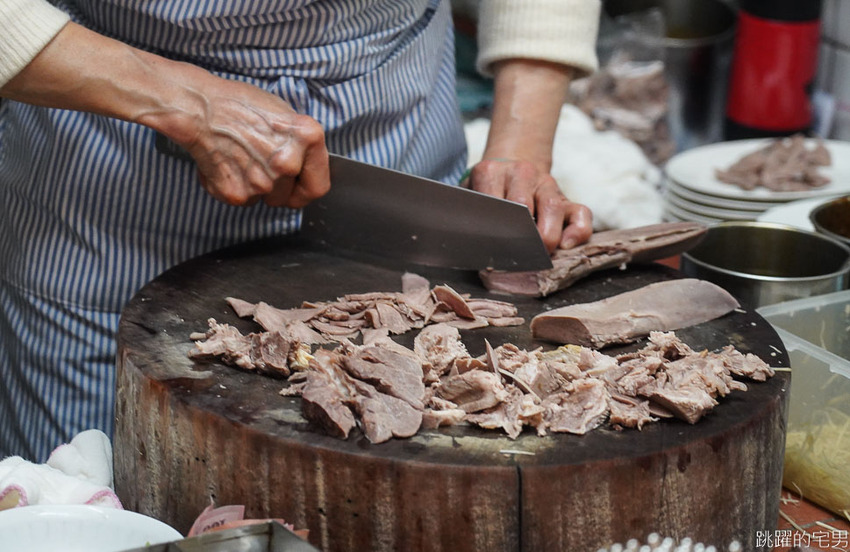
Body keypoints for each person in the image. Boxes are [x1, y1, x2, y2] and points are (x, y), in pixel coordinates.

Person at [0, 0, 600, 461]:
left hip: (387, 135)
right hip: (109, 147)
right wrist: (181, 100)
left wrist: (522, 140)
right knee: (94, 493)